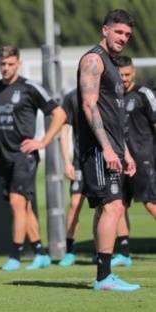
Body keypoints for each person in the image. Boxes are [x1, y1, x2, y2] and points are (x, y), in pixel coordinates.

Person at [0, 45, 66, 271]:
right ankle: (40, 252)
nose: (6, 68)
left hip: (25, 156)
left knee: (16, 202)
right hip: (5, 157)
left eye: (11, 64)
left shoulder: (30, 88)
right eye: (3, 64)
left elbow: (59, 114)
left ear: (18, 64)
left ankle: (15, 255)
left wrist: (43, 141)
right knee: (24, 207)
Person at [76, 9, 140, 291]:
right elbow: (89, 105)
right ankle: (104, 277)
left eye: (127, 34)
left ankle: (105, 274)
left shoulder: (113, 66)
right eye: (118, 32)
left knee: (108, 209)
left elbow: (113, 115)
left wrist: (124, 151)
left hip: (112, 149)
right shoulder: (93, 60)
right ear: (105, 30)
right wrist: (107, 148)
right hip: (98, 150)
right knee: (112, 207)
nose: (123, 38)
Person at [112, 55, 156, 267]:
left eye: (127, 75)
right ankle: (123, 252)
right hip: (119, 162)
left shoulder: (144, 94)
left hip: (144, 159)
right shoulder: (112, 98)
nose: (124, 79)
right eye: (120, 76)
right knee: (119, 205)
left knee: (151, 203)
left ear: (134, 72)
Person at [57, 89, 88, 266]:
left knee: (105, 207)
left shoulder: (104, 91)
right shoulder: (70, 97)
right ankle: (69, 251)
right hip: (79, 163)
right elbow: (64, 130)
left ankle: (103, 252)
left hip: (101, 162)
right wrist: (66, 162)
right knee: (75, 204)